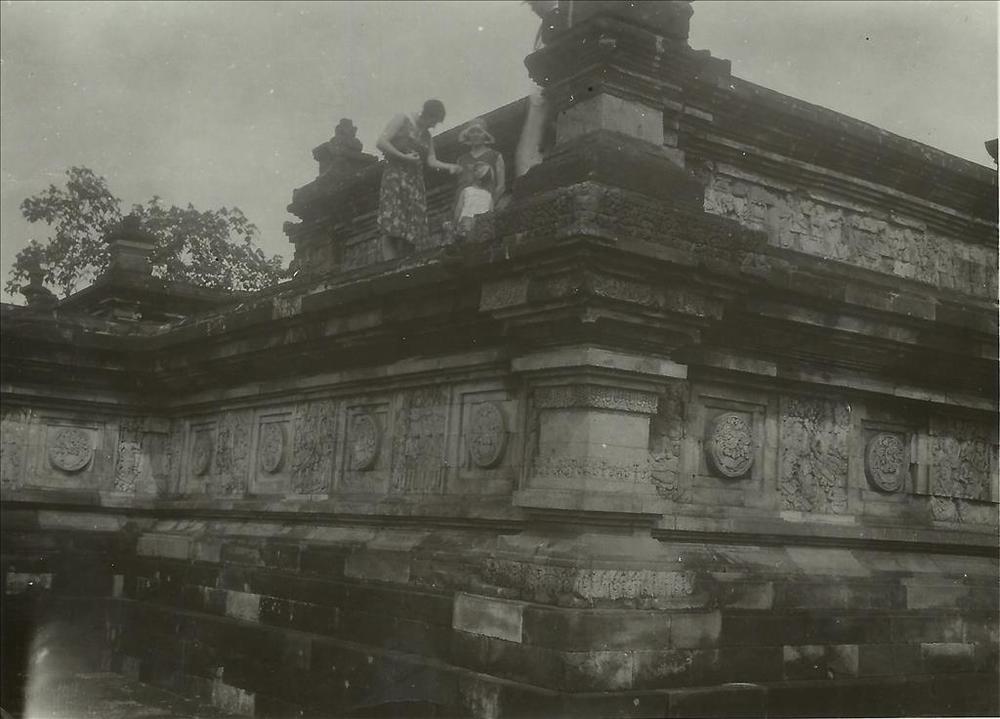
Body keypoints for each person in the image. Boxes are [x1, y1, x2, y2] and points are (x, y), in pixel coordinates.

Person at [376, 99, 460, 260]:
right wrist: (404, 157)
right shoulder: (402, 119)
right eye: (434, 121)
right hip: (395, 177)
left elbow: (431, 160)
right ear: (427, 114)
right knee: (392, 222)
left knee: (412, 225)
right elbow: (381, 142)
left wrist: (449, 166)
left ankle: (405, 264)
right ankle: (389, 265)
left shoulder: (427, 135)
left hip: (415, 182)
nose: (433, 126)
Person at [451, 118, 506, 238]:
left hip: (484, 208)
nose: (475, 135)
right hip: (464, 210)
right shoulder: (461, 160)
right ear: (468, 135)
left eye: (479, 131)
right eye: (472, 132)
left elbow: (501, 187)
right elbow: (460, 187)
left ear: (485, 135)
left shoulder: (495, 156)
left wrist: (488, 207)